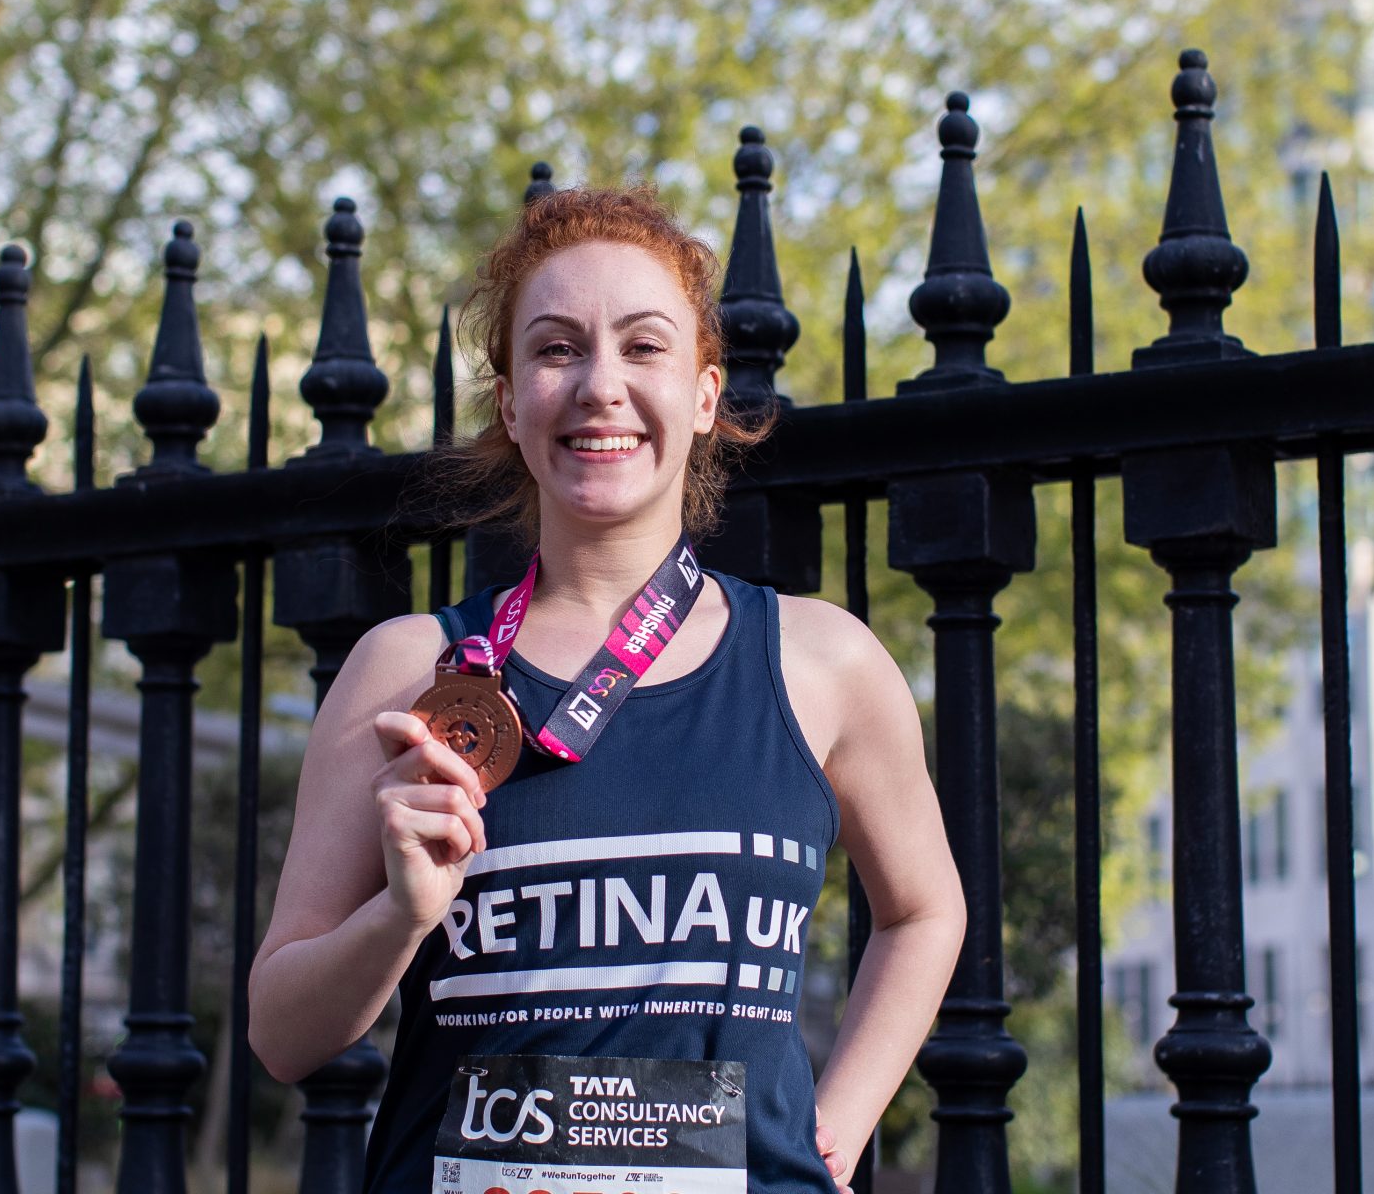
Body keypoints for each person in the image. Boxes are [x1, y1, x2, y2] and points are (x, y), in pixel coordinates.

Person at [249, 184, 966, 1194]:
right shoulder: (408, 670)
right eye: (554, 348)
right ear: (509, 401)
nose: (598, 386)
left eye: (642, 347)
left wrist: (831, 1134)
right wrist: (401, 915)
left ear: (706, 394)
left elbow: (924, 913)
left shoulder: (823, 664)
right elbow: (282, 1034)